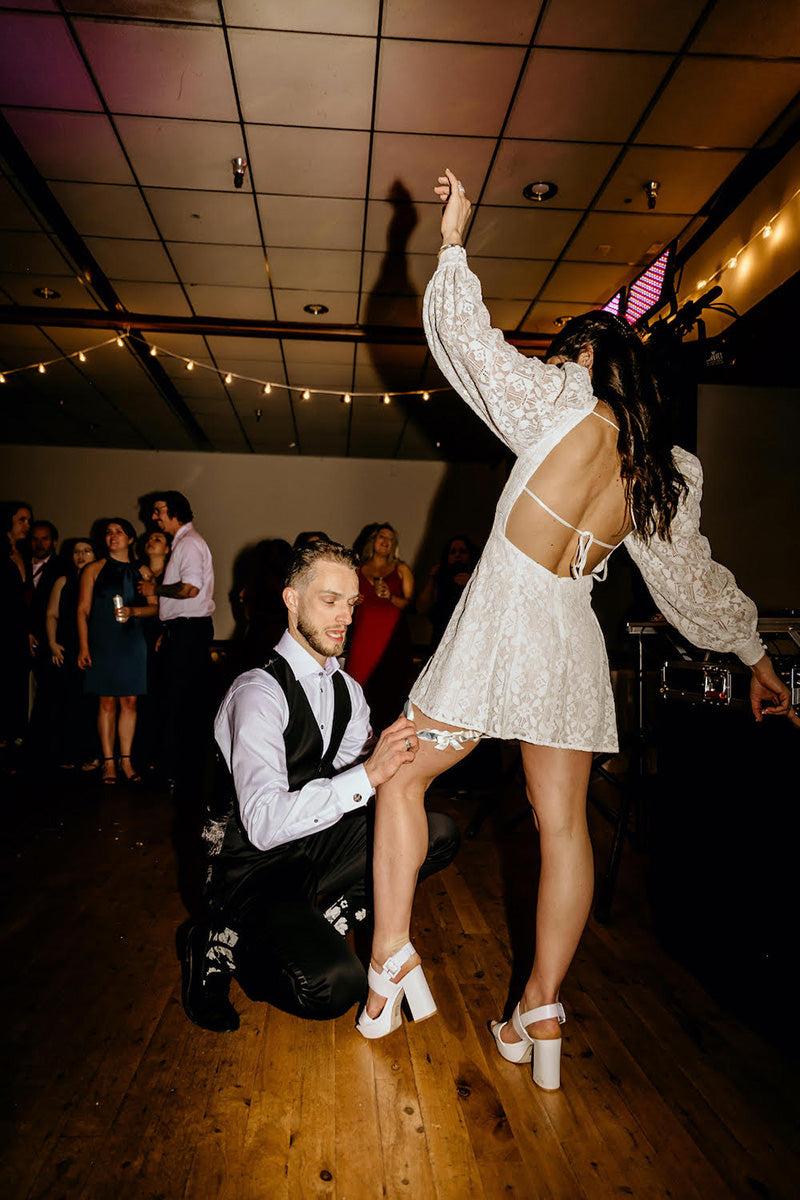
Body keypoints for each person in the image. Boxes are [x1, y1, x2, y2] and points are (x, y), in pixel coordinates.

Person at [359, 169, 798, 1090]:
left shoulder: (561, 397)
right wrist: (756, 654)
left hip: (505, 619)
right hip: (571, 638)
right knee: (565, 830)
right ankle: (543, 1005)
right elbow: (693, 584)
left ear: (586, 355)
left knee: (399, 773)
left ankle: (391, 956)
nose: (553, 355)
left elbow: (470, 348)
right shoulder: (660, 471)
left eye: (564, 347)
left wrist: (451, 243)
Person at [182, 540, 459, 1033]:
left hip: (311, 852)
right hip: (248, 871)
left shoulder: (346, 689)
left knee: (433, 832)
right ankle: (217, 940)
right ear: (291, 600)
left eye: (351, 604)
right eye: (329, 601)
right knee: (333, 988)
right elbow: (265, 825)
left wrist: (414, 746)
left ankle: (321, 914)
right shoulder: (257, 693)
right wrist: (369, 772)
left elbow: (365, 778)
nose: (345, 618)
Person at [137, 491, 215, 793]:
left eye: (158, 511)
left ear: (175, 512)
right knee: (178, 701)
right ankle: (178, 771)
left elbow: (190, 590)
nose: (154, 517)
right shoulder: (184, 543)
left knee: (180, 703)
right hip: (182, 631)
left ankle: (176, 774)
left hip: (188, 631)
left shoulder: (190, 543)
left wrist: (154, 587)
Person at [77, 518, 156, 785]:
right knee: (106, 701)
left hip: (132, 640)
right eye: (108, 533)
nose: (113, 536)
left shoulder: (142, 571)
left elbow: (155, 607)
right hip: (102, 640)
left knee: (130, 701)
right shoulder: (93, 569)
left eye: (119, 532)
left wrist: (134, 611)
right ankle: (108, 763)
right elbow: (82, 610)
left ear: (131, 538)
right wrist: (84, 646)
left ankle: (127, 760)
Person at [346, 523, 415, 731]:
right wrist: (353, 600)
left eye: (390, 539)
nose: (386, 541)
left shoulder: (401, 569)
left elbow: (411, 605)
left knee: (391, 695)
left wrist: (391, 597)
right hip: (363, 640)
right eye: (381, 537)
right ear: (372, 541)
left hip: (392, 642)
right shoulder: (356, 569)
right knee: (358, 692)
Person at [46, 538, 99, 770]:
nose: (81, 555)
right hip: (68, 646)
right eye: (77, 551)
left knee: (92, 704)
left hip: (94, 647)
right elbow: (51, 614)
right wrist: (52, 643)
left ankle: (92, 754)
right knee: (68, 701)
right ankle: (69, 753)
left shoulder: (101, 580)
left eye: (87, 550)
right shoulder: (63, 581)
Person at [0, 501, 32, 766]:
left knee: (17, 683)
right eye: (22, 520)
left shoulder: (24, 554)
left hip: (19, 631)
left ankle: (14, 741)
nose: (27, 526)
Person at [417, 534, 478, 651]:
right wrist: (432, 579)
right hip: (440, 637)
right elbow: (422, 608)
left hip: (466, 637)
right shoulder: (439, 578)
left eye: (462, 551)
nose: (457, 555)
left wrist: (471, 583)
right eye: (453, 552)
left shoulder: (476, 579)